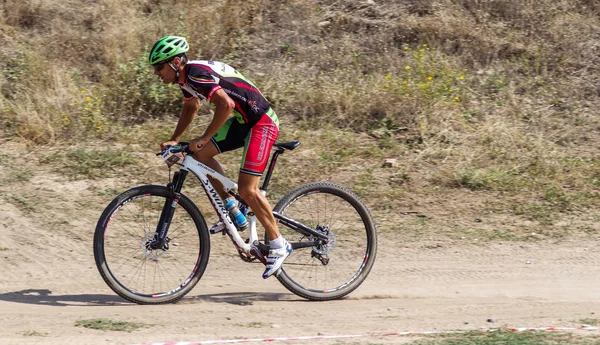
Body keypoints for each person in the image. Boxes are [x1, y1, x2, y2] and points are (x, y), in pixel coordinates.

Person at [149, 35, 291, 279]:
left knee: (248, 189)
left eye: (159, 67)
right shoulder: (186, 79)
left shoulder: (195, 73)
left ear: (175, 63)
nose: (156, 73)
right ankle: (232, 209)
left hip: (261, 122)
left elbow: (226, 105)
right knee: (200, 155)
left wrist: (204, 136)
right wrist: (175, 138)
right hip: (242, 122)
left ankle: (279, 244)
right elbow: (190, 107)